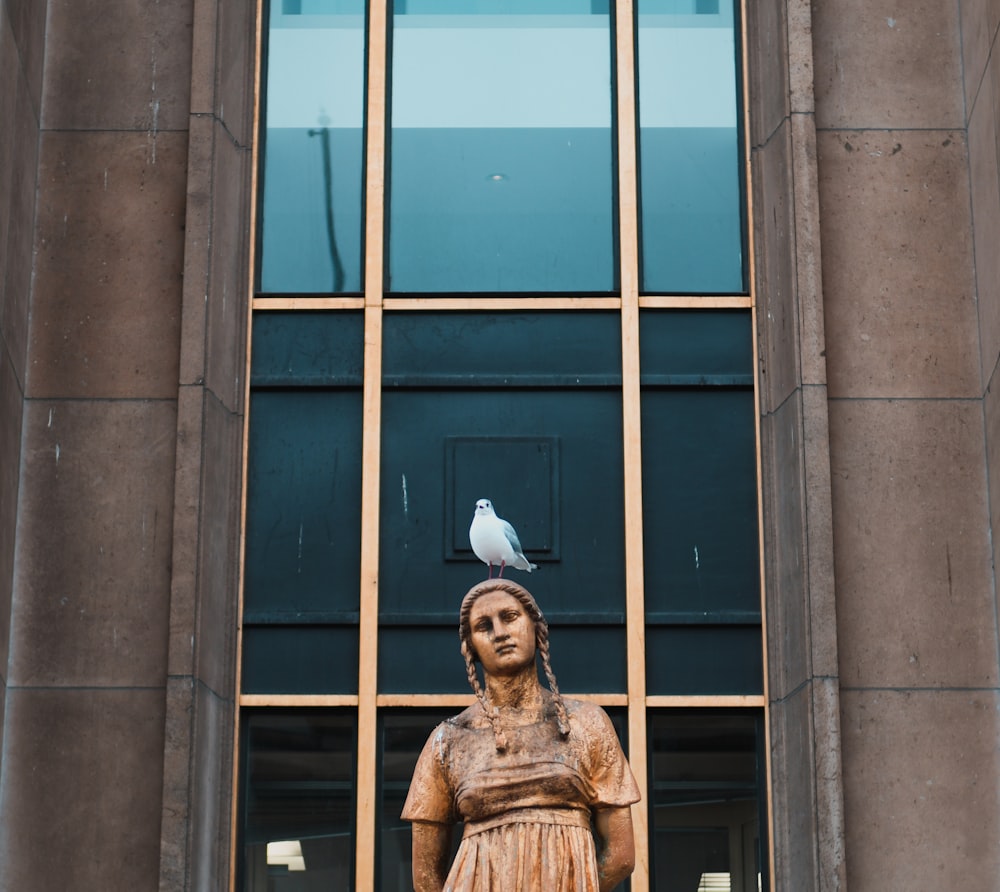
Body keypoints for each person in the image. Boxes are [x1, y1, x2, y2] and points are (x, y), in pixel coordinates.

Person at [402, 579, 640, 891]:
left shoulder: (586, 723)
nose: (499, 632)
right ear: (470, 647)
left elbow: (621, 855)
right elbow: (425, 877)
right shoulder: (448, 740)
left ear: (537, 627)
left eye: (510, 617)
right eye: (484, 626)